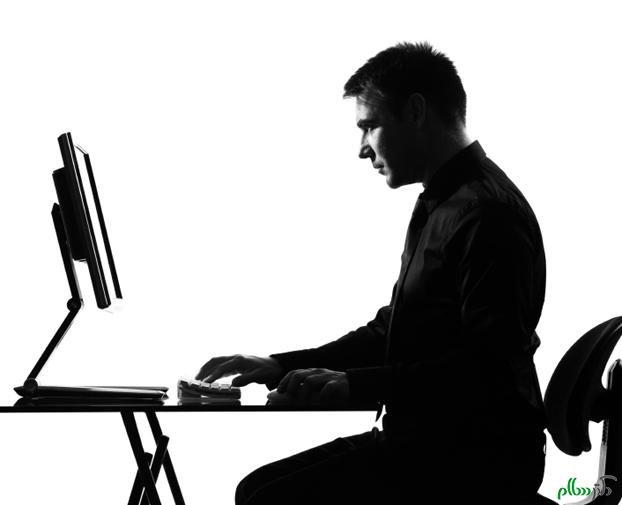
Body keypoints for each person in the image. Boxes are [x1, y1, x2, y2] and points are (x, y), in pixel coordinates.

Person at [196, 41, 548, 504]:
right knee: (256, 490)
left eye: (369, 125)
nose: (363, 149)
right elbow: (393, 331)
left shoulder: (486, 214)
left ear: (416, 111)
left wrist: (355, 383)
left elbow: (489, 370)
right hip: (424, 442)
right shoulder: (443, 203)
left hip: (472, 458)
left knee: (266, 500)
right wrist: (281, 364)